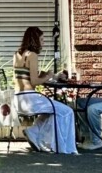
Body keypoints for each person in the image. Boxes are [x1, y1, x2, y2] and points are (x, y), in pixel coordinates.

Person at [12, 26, 77, 154]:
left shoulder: (17, 54)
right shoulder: (33, 55)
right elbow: (35, 82)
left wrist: (46, 74)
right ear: (35, 40)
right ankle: (63, 147)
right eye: (41, 39)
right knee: (67, 111)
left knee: (52, 111)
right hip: (30, 98)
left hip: (19, 99)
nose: (43, 42)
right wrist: (48, 76)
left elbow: (28, 75)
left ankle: (34, 131)